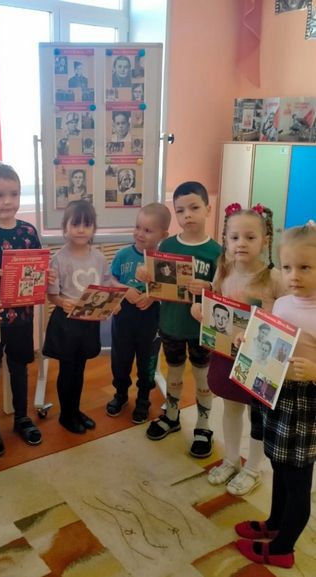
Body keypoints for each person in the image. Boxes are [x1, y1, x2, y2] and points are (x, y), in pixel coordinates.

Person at [235, 223, 316, 569]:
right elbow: (268, 339)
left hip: (305, 402)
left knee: (297, 478)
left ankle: (283, 548)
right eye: (287, 267)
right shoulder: (282, 303)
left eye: (305, 267)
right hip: (275, 393)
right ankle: (275, 522)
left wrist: (314, 371)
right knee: (279, 465)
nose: (294, 276)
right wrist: (248, 340)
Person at [194, 203, 284, 496]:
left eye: (250, 237)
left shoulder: (275, 278)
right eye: (234, 238)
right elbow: (215, 304)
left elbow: (286, 318)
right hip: (226, 354)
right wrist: (200, 310)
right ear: (226, 240)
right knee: (230, 408)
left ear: (265, 241)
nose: (241, 243)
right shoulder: (224, 269)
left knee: (257, 416)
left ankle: (253, 468)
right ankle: (231, 459)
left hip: (258, 359)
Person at [144, 182, 221, 458]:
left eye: (194, 207)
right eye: (180, 210)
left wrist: (209, 287)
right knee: (174, 372)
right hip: (171, 324)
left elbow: (224, 292)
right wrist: (146, 276)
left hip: (202, 328)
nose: (187, 215)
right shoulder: (168, 245)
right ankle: (172, 415)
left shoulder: (216, 252)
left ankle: (203, 425)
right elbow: (157, 282)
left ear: (208, 209)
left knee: (202, 376)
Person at [0, 162, 46, 456]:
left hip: (22, 316)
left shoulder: (28, 231)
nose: (8, 201)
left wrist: (45, 274)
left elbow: (38, 268)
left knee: (19, 366)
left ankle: (22, 418)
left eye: (14, 194)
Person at [43, 200, 113, 434]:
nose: (81, 230)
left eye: (87, 224)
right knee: (68, 368)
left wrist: (113, 302)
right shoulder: (59, 259)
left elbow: (105, 287)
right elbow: (52, 296)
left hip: (89, 323)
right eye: (75, 224)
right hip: (67, 324)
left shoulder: (99, 258)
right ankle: (66, 414)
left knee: (80, 368)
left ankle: (75, 410)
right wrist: (63, 302)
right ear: (65, 227)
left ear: (94, 228)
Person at [106, 203, 171, 424]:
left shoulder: (163, 260)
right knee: (120, 360)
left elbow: (170, 288)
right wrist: (125, 289)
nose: (140, 234)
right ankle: (120, 394)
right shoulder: (123, 254)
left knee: (147, 362)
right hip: (124, 318)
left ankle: (143, 399)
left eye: (148, 230)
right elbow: (110, 279)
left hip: (151, 320)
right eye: (137, 227)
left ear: (163, 235)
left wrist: (152, 296)